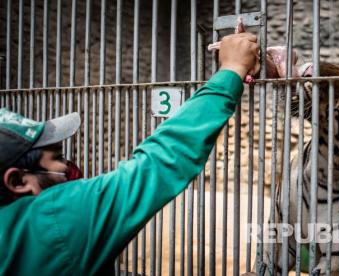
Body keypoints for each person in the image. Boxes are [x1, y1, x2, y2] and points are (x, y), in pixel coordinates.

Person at [0, 32, 260, 275]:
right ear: (18, 182)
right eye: (56, 158)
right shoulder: (48, 223)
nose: (68, 166)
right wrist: (231, 70)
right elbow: (159, 161)